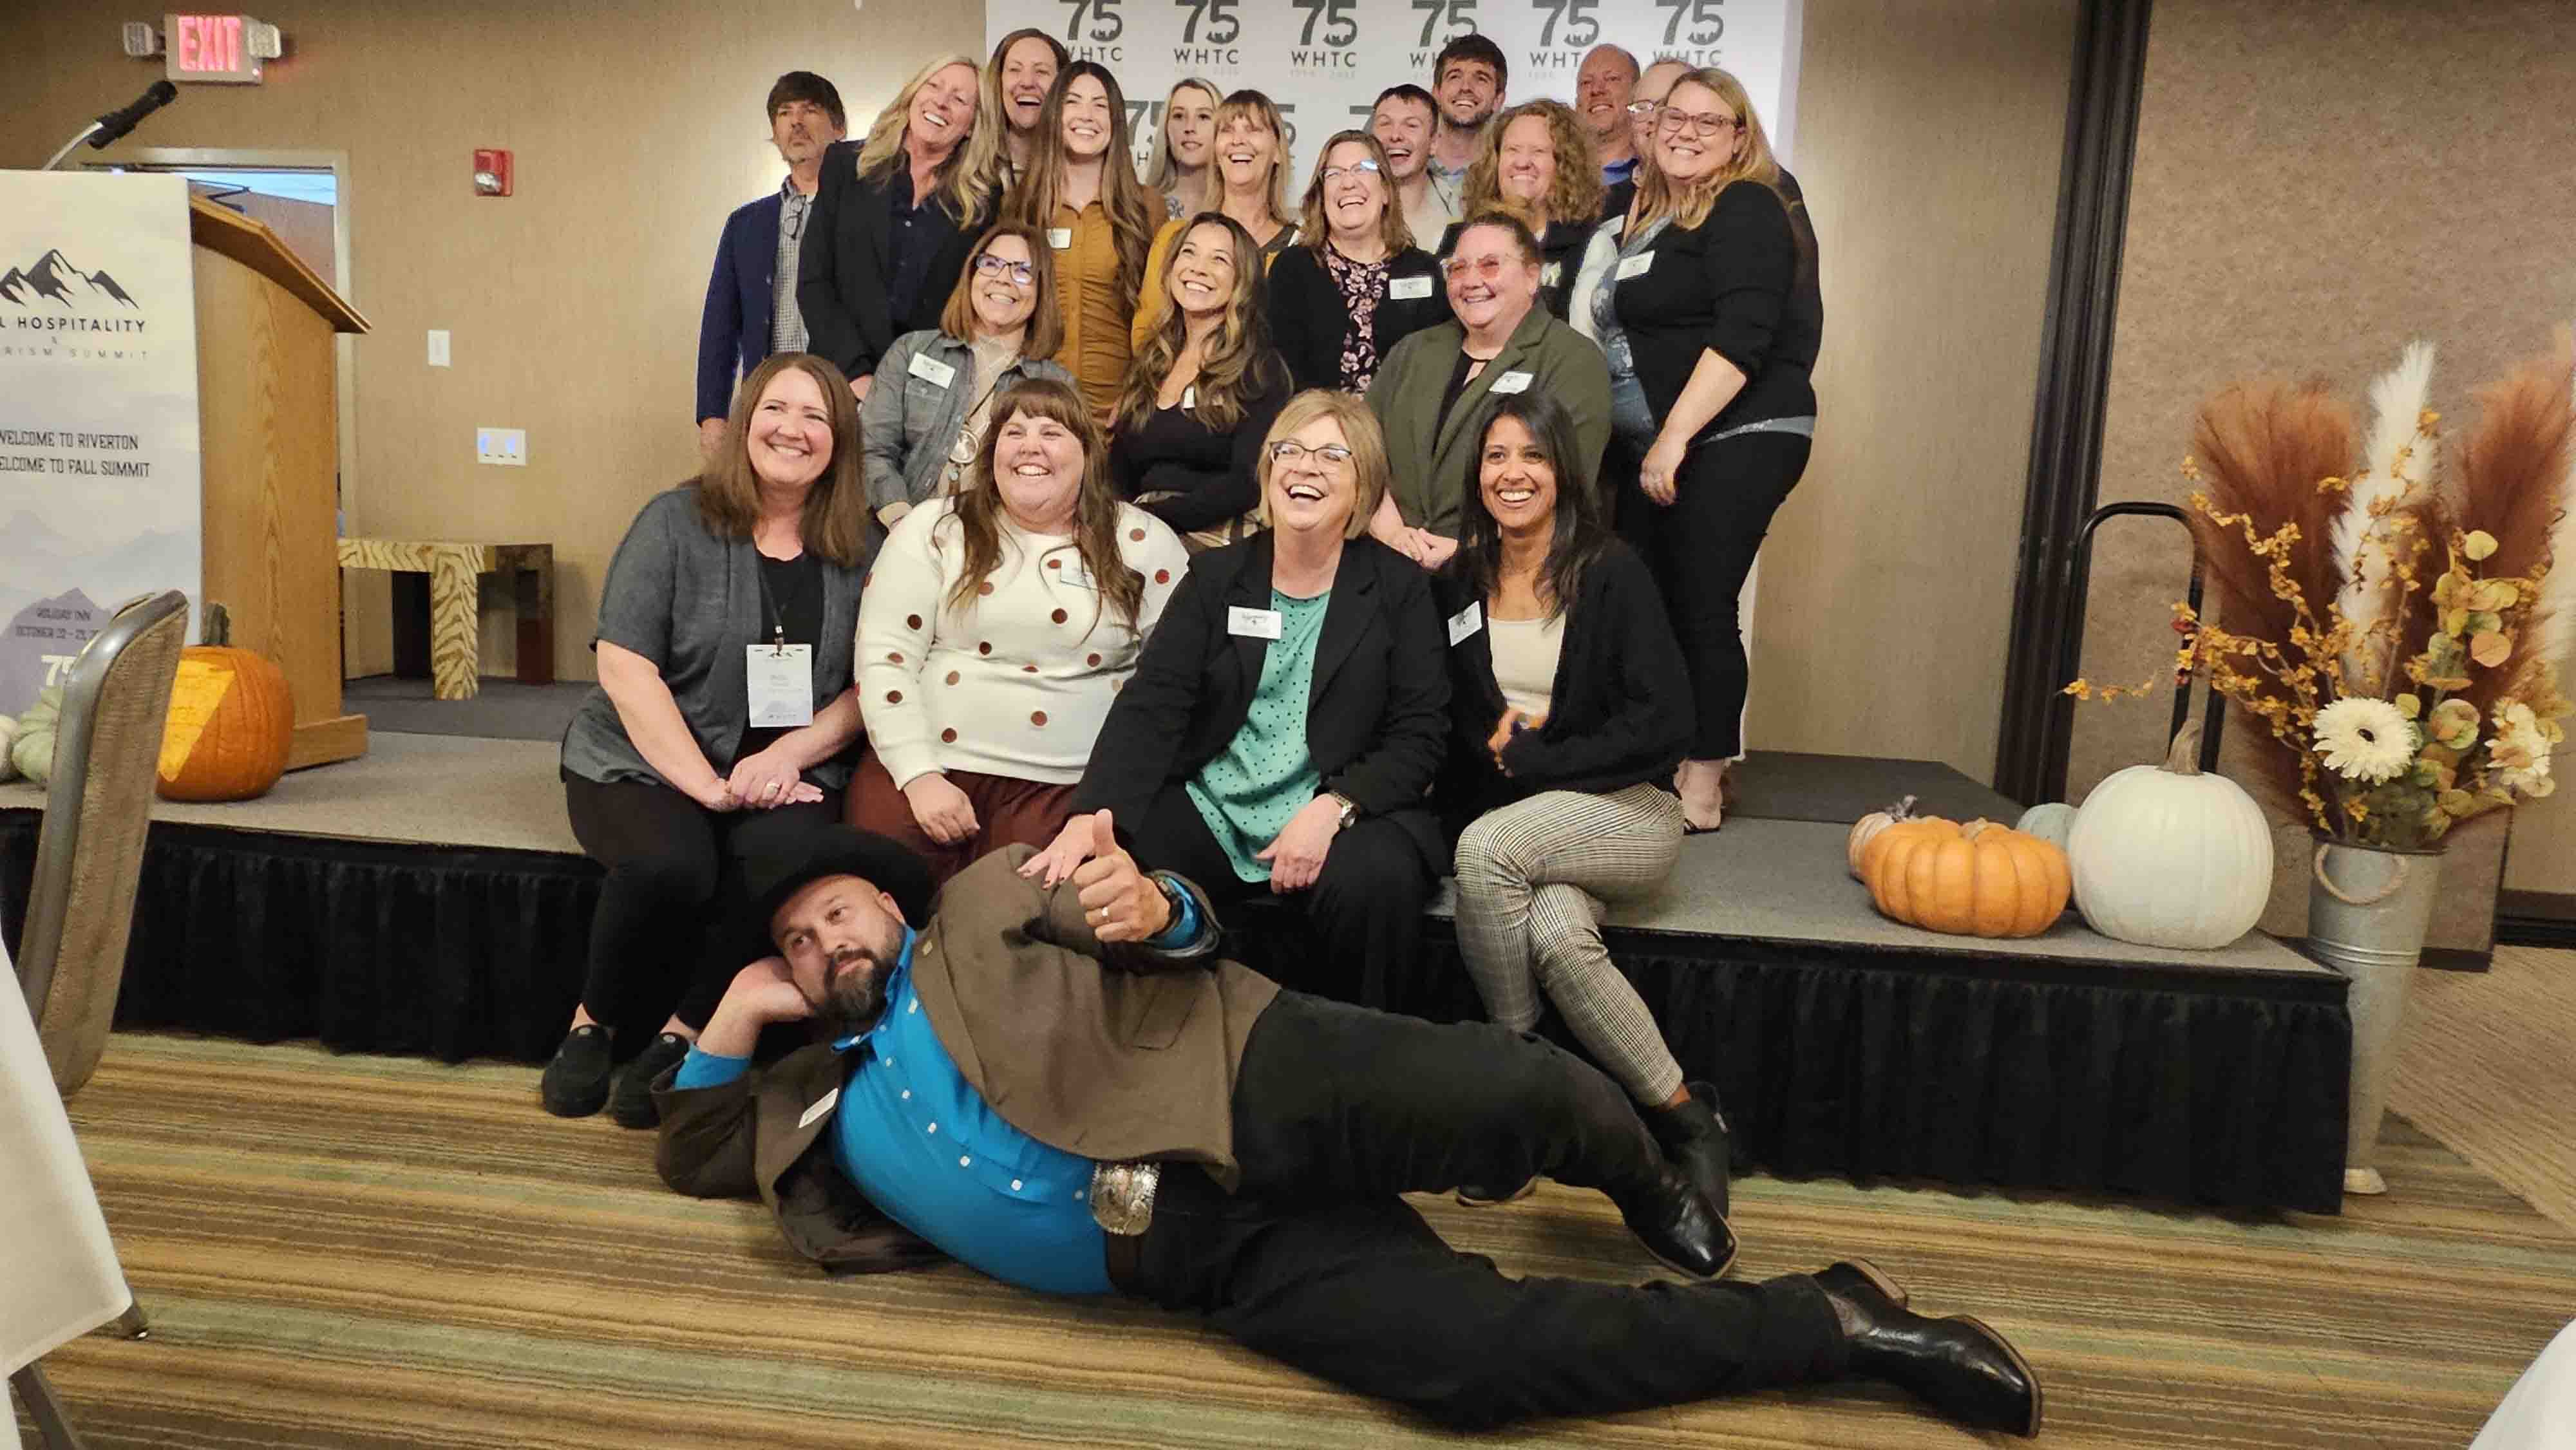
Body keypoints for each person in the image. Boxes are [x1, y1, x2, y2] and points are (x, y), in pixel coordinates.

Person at [653, 820, 2045, 1438]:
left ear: (887, 903)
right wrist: (738, 995)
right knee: (1471, 1371)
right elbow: (689, 1145)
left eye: (836, 909)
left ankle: (1640, 1161)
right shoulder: (815, 1098)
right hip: (1198, 1259)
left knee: (1505, 1092)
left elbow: (1138, 915)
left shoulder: (977, 899)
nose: (825, 935)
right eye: (796, 935)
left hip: (1245, 1072)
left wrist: (1162, 906)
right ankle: (1837, 1322)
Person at [1033, 391, 1446, 1003]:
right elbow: (1153, 706)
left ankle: (1358, 1058)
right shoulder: (1216, 578)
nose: (1305, 467)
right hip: (1218, 801)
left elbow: (1422, 732)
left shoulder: (1398, 588)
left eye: (1333, 455)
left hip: (1341, 803)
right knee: (1108, 873)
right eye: (1290, 450)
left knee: (1376, 880)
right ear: (1268, 469)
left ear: (1364, 486)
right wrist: (1093, 817)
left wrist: (1334, 808)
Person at [549, 353, 872, 1127]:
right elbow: (626, 667)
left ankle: (681, 1033)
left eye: (815, 418)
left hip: (788, 768)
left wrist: (785, 758)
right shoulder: (672, 520)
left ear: (839, 442)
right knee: (672, 863)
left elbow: (871, 686)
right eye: (775, 410)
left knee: (776, 864)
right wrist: (707, 786)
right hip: (644, 755)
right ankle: (589, 1025)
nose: (792, 430)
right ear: (744, 423)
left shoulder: (864, 547)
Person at [1434, 391, 1730, 1220]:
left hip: (1626, 810)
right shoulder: (1459, 579)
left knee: (1484, 854)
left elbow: (1667, 722)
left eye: (1531, 455)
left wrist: (1542, 762)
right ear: (1477, 473)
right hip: (1528, 820)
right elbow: (1459, 709)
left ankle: (1514, 1093)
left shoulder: (1611, 571)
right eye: (1496, 456)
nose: (1513, 472)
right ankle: (1687, 1117)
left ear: (1562, 470)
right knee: (1559, 936)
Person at [851, 378, 1189, 886]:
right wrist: (919, 776)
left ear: (1088, 455)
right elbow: (884, 657)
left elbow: (1173, 685)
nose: (1031, 446)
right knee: (876, 901)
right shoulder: (934, 527)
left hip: (1069, 790)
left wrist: (1104, 805)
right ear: (991, 452)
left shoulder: (1144, 541)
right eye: (1014, 432)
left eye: (1052, 432)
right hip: (923, 768)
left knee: (1026, 920)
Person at [1605, 68, 1821, 832]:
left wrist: (1671, 437)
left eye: (1710, 120)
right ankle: (1667, 759)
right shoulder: (1666, 218)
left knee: (1700, 601)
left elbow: (1743, 338)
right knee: (1658, 602)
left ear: (1739, 136)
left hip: (1742, 431)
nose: (1687, 131)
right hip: (1677, 439)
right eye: (1675, 118)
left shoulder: (1747, 204)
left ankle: (1702, 777)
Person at [1365, 214, 1609, 569]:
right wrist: (1389, 531)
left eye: (1491, 265)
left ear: (1532, 276)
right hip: (1393, 567)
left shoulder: (1573, 360)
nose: (1472, 281)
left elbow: (1565, 487)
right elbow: (1357, 448)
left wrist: (1467, 550)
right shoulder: (1413, 352)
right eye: (1458, 268)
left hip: (1511, 575)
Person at [799, 55, 1003, 402]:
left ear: (972, 124)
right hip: (838, 384)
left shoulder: (983, 201)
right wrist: (859, 376)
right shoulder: (845, 167)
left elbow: (969, 308)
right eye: (934, 86)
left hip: (925, 395)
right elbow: (814, 283)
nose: (941, 101)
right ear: (912, 95)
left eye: (959, 99)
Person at [858, 223, 1073, 531]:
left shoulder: (1057, 386)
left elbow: (1062, 485)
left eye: (1022, 271)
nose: (1003, 278)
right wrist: (904, 524)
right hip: (897, 532)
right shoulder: (912, 351)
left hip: (1001, 546)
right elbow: (871, 448)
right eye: (991, 263)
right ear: (971, 274)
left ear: (1042, 290)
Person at [1110, 214, 1293, 549]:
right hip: (1140, 533)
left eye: (1219, 259)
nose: (1198, 268)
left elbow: (1247, 482)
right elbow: (1118, 471)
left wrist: (1154, 520)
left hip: (1217, 538)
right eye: (1189, 253)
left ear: (1243, 280)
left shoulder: (1260, 369)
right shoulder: (1151, 361)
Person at [696, 72, 849, 463]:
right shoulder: (746, 223)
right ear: (776, 133)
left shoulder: (862, 212)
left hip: (843, 401)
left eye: (810, 110)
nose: (796, 121)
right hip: (765, 405)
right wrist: (713, 416)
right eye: (785, 113)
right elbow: (720, 324)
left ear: (839, 128)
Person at [1003, 63, 1159, 415]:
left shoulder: (1147, 207)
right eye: (1073, 102)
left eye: (1100, 105)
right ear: (1055, 115)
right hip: (1036, 407)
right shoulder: (1020, 205)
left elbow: (1163, 318)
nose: (1086, 115)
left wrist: (1137, 395)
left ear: (1117, 121)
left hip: (1121, 409)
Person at [1264, 131, 1446, 394]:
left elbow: (1435, 372)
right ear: (1322, 197)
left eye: (1363, 169)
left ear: (1385, 191)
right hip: (1315, 426)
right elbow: (1279, 373)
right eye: (1334, 173)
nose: (1348, 183)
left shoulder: (1422, 270)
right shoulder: (1292, 268)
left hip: (1403, 429)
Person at [1130, 89, 1298, 348]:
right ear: (1216, 153)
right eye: (1227, 131)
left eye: (1253, 130)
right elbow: (1145, 334)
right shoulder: (1174, 238)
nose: (1238, 141)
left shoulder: (1301, 246)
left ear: (1278, 152)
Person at [1434, 100, 1602, 319]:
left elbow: (1586, 344)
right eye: (1512, 150)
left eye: (1538, 151)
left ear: (1565, 164)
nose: (1523, 162)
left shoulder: (1588, 245)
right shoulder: (1456, 239)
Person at [1370, 83, 1456, 252]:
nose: (1395, 136)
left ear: (1434, 143)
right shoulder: (1346, 208)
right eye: (1385, 124)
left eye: (1411, 126)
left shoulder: (1460, 212)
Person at [1428, 33, 1508, 201]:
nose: (1465, 87)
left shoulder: (1507, 176)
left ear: (1498, 100)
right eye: (1455, 77)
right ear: (1436, 94)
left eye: (1481, 79)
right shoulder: (1408, 166)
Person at [985, 28, 1066, 181]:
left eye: (1041, 71)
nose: (1027, 82)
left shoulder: (1080, 173)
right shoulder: (967, 169)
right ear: (998, 81)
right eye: (1015, 70)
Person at [1141, 78, 1221, 220]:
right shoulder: (1142, 206)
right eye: (1179, 116)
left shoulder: (1235, 207)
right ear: (1166, 129)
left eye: (1203, 117)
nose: (1190, 127)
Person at [1578, 45, 1642, 188]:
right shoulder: (1553, 174)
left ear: (1638, 92)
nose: (1596, 90)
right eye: (1586, 83)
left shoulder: (1657, 173)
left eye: (1612, 79)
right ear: (1577, 102)